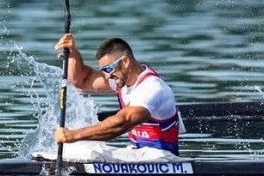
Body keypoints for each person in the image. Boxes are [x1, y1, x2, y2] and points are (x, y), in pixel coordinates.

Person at [53, 34, 183, 156]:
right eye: (104, 70)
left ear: (125, 61)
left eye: (109, 68)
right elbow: (82, 81)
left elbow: (122, 123)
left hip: (163, 159)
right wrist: (73, 55)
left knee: (81, 146)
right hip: (137, 155)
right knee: (81, 150)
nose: (108, 75)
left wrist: (74, 135)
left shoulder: (152, 88)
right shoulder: (121, 80)